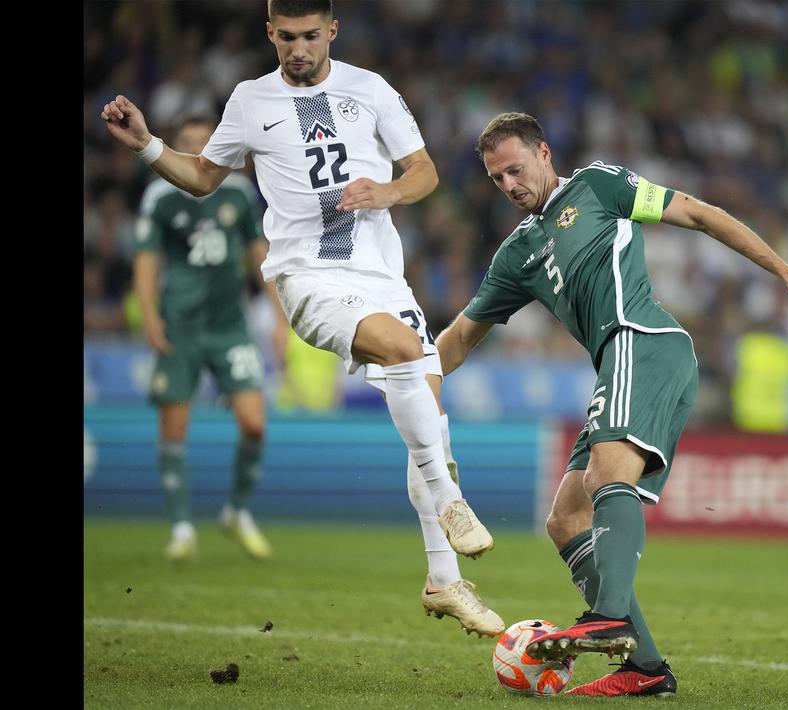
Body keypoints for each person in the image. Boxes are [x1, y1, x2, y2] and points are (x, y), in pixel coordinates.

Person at [101, 0, 503, 638]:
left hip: (381, 275)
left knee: (426, 407)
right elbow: (204, 176)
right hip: (307, 278)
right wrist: (149, 145)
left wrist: (389, 192)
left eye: (310, 36)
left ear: (332, 32)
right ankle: (450, 500)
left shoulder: (370, 90)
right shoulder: (249, 101)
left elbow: (422, 170)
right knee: (405, 357)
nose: (298, 48)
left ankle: (444, 579)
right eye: (286, 37)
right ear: (270, 33)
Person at [435, 112, 788, 696]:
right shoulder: (517, 254)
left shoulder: (598, 186)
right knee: (567, 519)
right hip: (616, 363)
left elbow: (700, 214)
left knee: (607, 474)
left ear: (544, 153)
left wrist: (782, 269)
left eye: (515, 169)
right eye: (497, 179)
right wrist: (406, 373)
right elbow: (461, 337)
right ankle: (646, 669)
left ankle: (610, 617)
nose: (509, 185)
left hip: (643, 340)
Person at [133, 112, 286, 563]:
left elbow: (261, 259)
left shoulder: (237, 193)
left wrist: (279, 319)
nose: (200, 150)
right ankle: (181, 528)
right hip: (180, 326)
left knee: (255, 424)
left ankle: (236, 512)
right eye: (189, 142)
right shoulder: (160, 195)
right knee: (175, 428)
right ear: (175, 147)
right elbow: (146, 260)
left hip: (229, 327)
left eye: (207, 141)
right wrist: (148, 316)